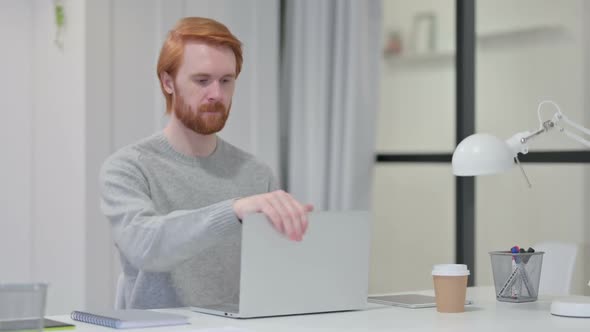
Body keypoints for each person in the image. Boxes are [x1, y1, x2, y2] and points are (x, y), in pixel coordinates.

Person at [99, 17, 313, 310]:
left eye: (226, 81)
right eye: (202, 80)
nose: (216, 94)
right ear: (168, 81)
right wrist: (234, 210)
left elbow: (274, 276)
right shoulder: (128, 167)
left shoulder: (256, 174)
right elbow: (144, 246)